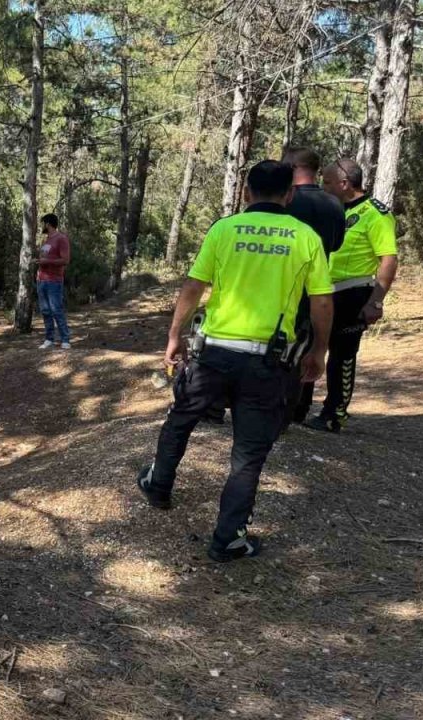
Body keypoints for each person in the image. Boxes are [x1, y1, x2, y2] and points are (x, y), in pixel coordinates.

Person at [134, 160, 333, 563]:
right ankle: (228, 537)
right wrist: (319, 351)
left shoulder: (224, 230)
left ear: (246, 192)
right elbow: (322, 301)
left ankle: (159, 483)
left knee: (181, 419)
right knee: (248, 453)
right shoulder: (305, 237)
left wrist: (175, 336)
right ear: (289, 194)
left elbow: (194, 285)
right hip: (269, 362)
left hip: (214, 354)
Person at [304, 157, 399, 434]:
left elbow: (388, 259)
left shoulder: (375, 214)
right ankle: (298, 407)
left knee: (341, 356)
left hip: (353, 292)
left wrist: (376, 301)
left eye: (328, 182)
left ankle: (334, 414)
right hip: (321, 292)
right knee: (308, 346)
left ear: (345, 184)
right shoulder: (331, 209)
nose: (323, 187)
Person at [280, 147, 346, 425]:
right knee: (305, 346)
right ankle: (297, 408)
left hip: (282, 287)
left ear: (294, 166)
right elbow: (337, 244)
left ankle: (273, 408)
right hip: (315, 287)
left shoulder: (286, 201)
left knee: (278, 347)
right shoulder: (334, 204)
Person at [36, 213, 72, 350]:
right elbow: (45, 258)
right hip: (41, 280)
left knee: (56, 309)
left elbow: (65, 260)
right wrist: (39, 261)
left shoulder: (61, 239)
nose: (42, 226)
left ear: (48, 224)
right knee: (45, 311)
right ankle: (49, 339)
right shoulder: (46, 240)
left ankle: (65, 339)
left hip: (54, 281)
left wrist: (47, 261)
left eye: (43, 223)